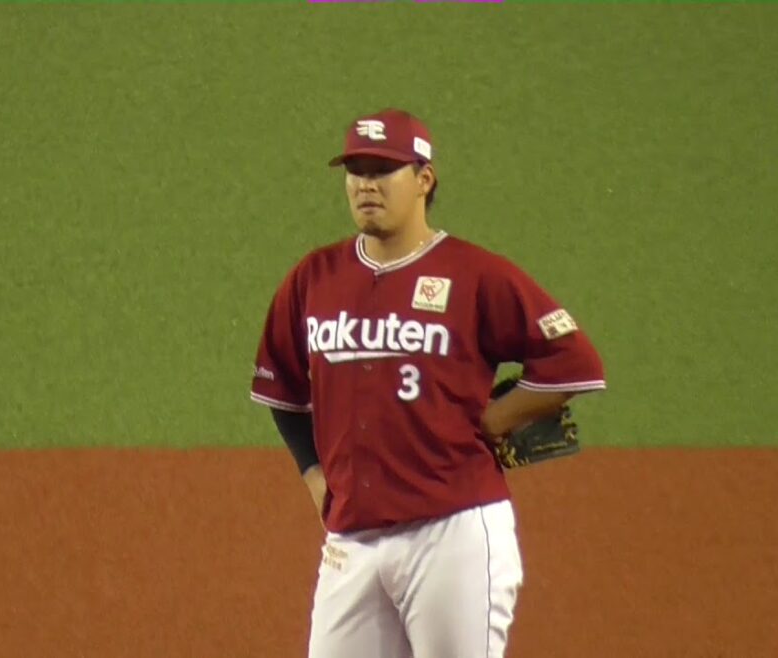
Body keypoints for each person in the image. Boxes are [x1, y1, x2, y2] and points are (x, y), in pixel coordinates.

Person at [249, 108, 606, 658]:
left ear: (424, 179)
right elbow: (281, 386)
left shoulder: (475, 274)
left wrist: (494, 420)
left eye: (383, 170)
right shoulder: (314, 278)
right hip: (352, 539)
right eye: (356, 171)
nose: (366, 184)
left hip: (453, 531)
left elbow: (574, 361)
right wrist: (313, 473)